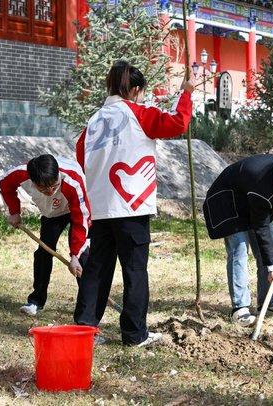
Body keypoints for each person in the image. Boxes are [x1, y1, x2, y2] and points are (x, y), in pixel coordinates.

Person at [74, 60, 194, 346]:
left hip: (101, 206)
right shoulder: (139, 113)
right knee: (135, 270)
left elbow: (81, 157)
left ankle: (84, 329)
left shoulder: (93, 121)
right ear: (137, 90)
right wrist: (186, 93)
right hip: (131, 205)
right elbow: (178, 122)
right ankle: (134, 333)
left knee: (97, 269)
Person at [203, 153, 273, 327]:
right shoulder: (261, 182)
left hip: (251, 201)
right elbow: (261, 227)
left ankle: (268, 303)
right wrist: (272, 268)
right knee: (239, 249)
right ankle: (240, 309)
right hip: (228, 203)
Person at [0, 154, 90, 316]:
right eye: (42, 188)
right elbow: (5, 185)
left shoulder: (73, 180)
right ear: (32, 181)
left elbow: (80, 219)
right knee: (43, 253)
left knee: (82, 257)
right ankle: (36, 301)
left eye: (54, 186)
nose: (49, 191)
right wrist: (14, 211)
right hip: (51, 214)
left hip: (76, 208)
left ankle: (88, 306)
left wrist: (75, 254)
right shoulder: (20, 174)